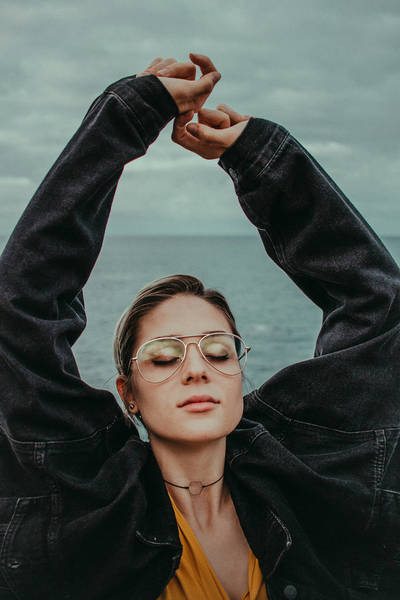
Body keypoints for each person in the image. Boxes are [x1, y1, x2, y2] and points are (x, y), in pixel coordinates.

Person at [0, 53, 399, 600]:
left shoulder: (312, 482)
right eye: (164, 357)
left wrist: (260, 155)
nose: (196, 370)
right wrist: (128, 115)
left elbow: (378, 305)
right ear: (128, 394)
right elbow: (19, 312)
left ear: (240, 374)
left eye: (218, 352)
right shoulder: (82, 503)